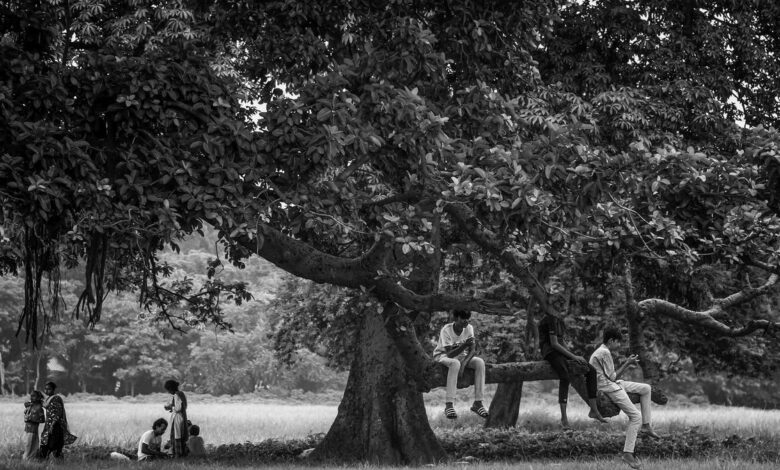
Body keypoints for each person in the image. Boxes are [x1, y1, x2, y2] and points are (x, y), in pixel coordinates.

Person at [590, 326, 660, 469]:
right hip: (608, 387)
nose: (620, 345)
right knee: (636, 417)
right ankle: (628, 453)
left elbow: (611, 376)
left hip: (611, 383)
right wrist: (627, 363)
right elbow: (612, 376)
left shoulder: (601, 350)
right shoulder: (604, 352)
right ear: (611, 340)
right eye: (618, 342)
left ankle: (646, 426)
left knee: (646, 389)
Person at [538, 310, 608, 429]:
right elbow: (554, 344)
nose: (563, 308)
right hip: (550, 352)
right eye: (559, 305)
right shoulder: (550, 319)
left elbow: (562, 342)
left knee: (590, 370)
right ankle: (564, 419)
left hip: (560, 352)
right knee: (564, 376)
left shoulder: (559, 320)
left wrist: (574, 356)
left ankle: (594, 411)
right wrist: (573, 356)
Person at [433, 310, 489, 419]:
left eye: (468, 318)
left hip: (461, 357)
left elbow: (472, 350)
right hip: (443, 356)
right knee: (454, 364)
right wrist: (464, 346)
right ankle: (449, 405)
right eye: (463, 318)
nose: (466, 321)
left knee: (480, 362)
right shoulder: (446, 330)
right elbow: (449, 354)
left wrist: (463, 364)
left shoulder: (469, 328)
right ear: (456, 318)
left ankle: (478, 403)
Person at [39, 381, 77, 459]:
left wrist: (52, 425)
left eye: (49, 389)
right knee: (48, 442)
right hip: (49, 425)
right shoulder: (48, 399)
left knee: (53, 444)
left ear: (53, 390)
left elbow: (58, 413)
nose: (46, 391)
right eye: (45, 389)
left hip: (56, 425)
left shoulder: (56, 398)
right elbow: (45, 405)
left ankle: (54, 459)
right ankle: (48, 459)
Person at [163, 379, 189, 457]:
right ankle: (181, 453)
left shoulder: (176, 395)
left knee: (176, 436)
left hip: (177, 418)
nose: (168, 392)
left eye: (168, 390)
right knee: (180, 435)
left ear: (171, 389)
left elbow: (178, 408)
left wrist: (170, 407)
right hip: (181, 417)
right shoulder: (182, 394)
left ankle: (178, 454)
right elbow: (183, 406)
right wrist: (172, 408)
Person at [23, 390, 45, 460]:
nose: (31, 397)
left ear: (38, 397)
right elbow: (26, 412)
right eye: (31, 396)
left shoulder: (39, 408)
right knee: (27, 443)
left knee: (31, 444)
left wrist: (33, 420)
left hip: (33, 429)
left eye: (33, 396)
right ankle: (28, 457)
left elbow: (42, 420)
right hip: (27, 428)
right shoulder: (30, 405)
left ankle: (28, 458)